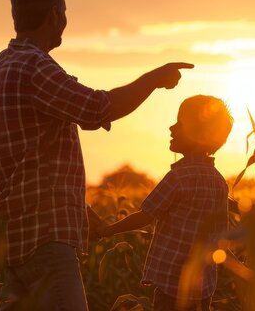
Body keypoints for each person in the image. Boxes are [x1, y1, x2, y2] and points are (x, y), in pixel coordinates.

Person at [0, 0, 193, 311]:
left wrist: (80, 210)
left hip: (11, 246)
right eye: (64, 12)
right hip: (46, 243)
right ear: (54, 16)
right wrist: (154, 78)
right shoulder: (35, 67)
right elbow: (96, 109)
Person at [99, 95, 233, 311]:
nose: (171, 128)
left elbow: (145, 215)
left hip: (172, 286)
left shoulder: (178, 177)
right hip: (203, 289)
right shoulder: (219, 182)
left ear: (197, 134)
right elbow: (221, 237)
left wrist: (106, 230)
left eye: (179, 123)